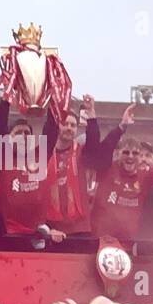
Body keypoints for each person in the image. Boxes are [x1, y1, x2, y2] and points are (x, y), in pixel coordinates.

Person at [90, 117, 153, 245]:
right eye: (126, 153)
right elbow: (96, 151)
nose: (130, 157)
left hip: (129, 244)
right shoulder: (106, 168)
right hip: (100, 242)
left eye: (135, 153)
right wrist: (121, 127)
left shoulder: (145, 175)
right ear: (117, 154)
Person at [0, 100, 64, 244]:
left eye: (27, 133)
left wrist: (53, 98)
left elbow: (51, 129)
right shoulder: (3, 155)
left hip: (38, 232)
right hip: (10, 232)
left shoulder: (39, 154)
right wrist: (7, 98)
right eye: (18, 132)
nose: (23, 136)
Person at [46, 97, 124, 235]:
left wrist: (91, 115)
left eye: (73, 125)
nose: (69, 128)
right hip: (52, 227)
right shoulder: (45, 153)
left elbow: (95, 142)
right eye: (65, 124)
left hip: (79, 227)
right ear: (58, 125)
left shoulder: (82, 153)